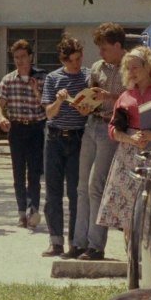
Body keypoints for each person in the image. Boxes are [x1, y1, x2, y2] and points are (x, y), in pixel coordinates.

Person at [63, 23, 128, 261]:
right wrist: (83, 103)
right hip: (91, 125)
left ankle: (96, 245)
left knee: (95, 186)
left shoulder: (130, 67)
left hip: (111, 129)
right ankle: (78, 243)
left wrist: (109, 96)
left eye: (105, 48)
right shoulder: (98, 68)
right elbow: (90, 94)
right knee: (81, 187)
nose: (100, 53)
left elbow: (134, 98)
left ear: (118, 46)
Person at [96, 46, 151, 247]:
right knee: (129, 210)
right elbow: (113, 129)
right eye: (128, 68)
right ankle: (131, 259)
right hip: (128, 155)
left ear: (149, 67)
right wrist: (130, 139)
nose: (131, 72)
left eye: (135, 67)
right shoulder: (125, 96)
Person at [40, 36, 90, 257]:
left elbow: (90, 109)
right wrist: (60, 101)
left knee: (76, 192)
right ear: (64, 60)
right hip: (55, 139)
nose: (77, 64)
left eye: (79, 59)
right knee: (53, 191)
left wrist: (82, 106)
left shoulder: (87, 77)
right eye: (72, 60)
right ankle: (56, 241)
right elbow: (48, 113)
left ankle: (75, 241)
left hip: (78, 139)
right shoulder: (53, 79)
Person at [0, 39, 47, 229]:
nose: (20, 61)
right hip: (16, 129)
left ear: (31, 57)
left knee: (34, 172)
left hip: (36, 128)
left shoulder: (42, 79)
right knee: (18, 172)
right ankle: (21, 212)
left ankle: (33, 210)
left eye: (23, 57)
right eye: (16, 58)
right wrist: (1, 119)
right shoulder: (8, 80)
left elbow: (48, 107)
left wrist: (35, 90)